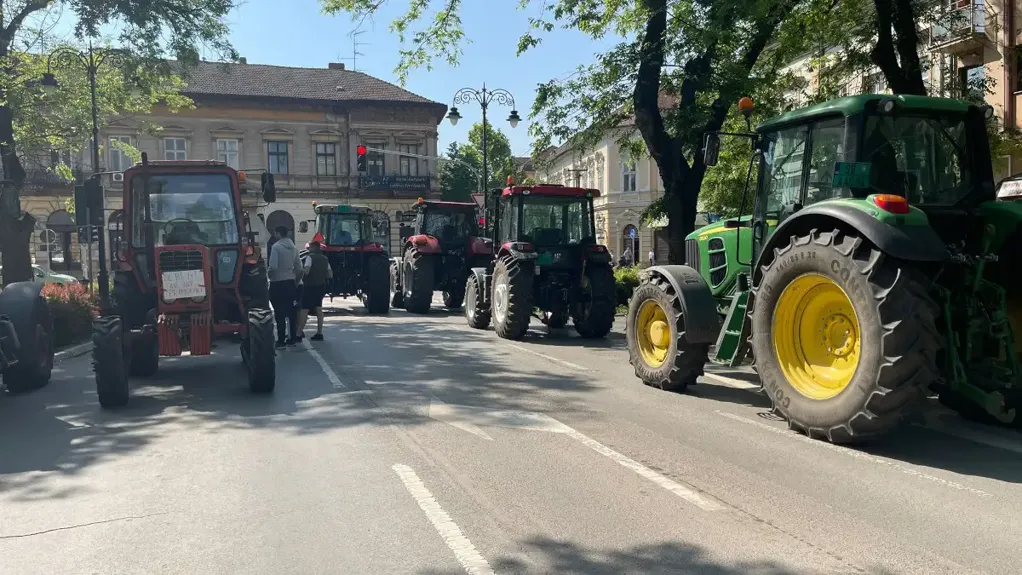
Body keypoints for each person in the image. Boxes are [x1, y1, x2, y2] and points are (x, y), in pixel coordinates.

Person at [266, 225, 303, 348]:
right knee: (292, 313)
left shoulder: (276, 247)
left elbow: (273, 266)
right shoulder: (294, 248)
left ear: (277, 234)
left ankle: (281, 340)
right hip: (290, 283)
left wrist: (269, 276)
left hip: (277, 284)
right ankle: (292, 338)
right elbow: (299, 268)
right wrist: (296, 281)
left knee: (279, 313)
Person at [298, 240, 332, 341]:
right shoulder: (325, 259)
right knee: (319, 309)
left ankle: (299, 333)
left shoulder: (309, 257)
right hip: (321, 287)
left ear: (312, 248)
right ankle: (319, 332)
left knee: (304, 309)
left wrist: (301, 273)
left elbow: (307, 271)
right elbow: (330, 274)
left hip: (309, 287)